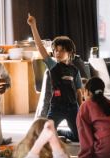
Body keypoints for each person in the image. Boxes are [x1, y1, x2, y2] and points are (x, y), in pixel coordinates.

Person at [27, 14, 83, 142]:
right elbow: (40, 48)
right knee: (44, 135)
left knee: (78, 137)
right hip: (56, 107)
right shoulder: (53, 66)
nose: (58, 53)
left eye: (62, 50)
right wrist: (33, 26)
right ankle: (54, 132)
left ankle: (60, 133)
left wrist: (81, 110)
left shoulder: (75, 71)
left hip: (72, 107)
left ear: (70, 53)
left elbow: (79, 91)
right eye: (56, 50)